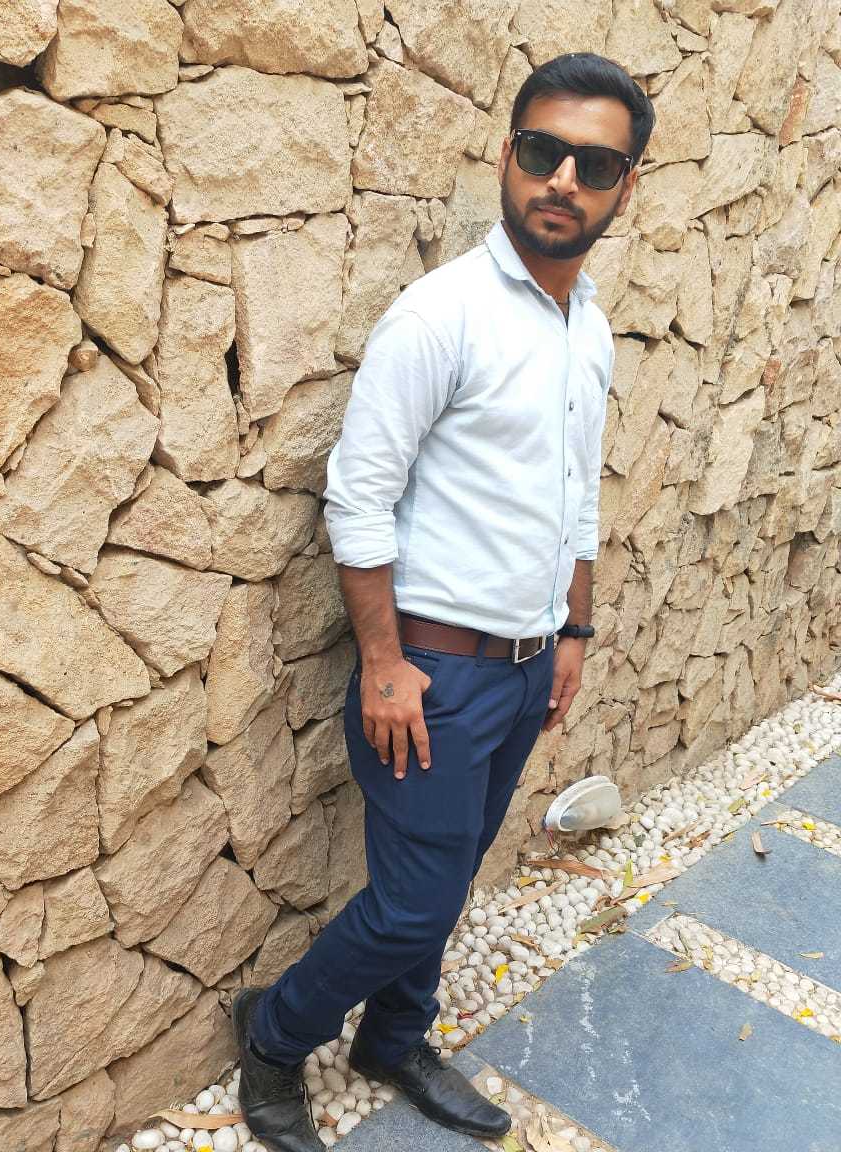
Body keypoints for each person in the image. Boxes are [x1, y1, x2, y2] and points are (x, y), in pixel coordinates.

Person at [232, 52, 654, 1151]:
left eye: (595, 164)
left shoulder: (587, 326)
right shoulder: (441, 315)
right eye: (543, 151)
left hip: (527, 663)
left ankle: (393, 1038)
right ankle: (273, 1036)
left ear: (626, 185)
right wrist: (384, 665)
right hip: (433, 673)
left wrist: (574, 628)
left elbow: (576, 497)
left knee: (452, 876)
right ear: (508, 154)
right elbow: (357, 496)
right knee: (414, 901)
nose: (562, 179)